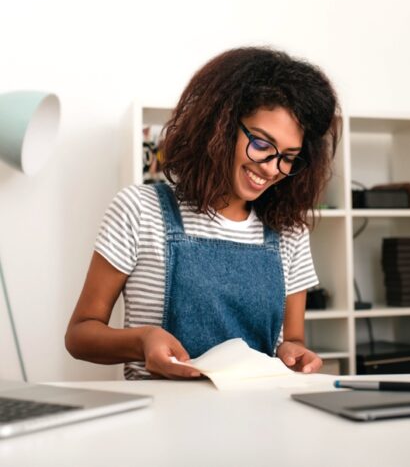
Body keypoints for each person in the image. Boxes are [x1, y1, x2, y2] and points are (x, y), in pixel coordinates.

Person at [65, 47, 340, 380]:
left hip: (257, 415)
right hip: (162, 418)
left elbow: (292, 340)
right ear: (220, 126)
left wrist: (293, 352)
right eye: (262, 144)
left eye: (288, 157)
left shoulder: (288, 233)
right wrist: (143, 340)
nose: (271, 169)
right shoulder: (139, 210)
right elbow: (80, 335)